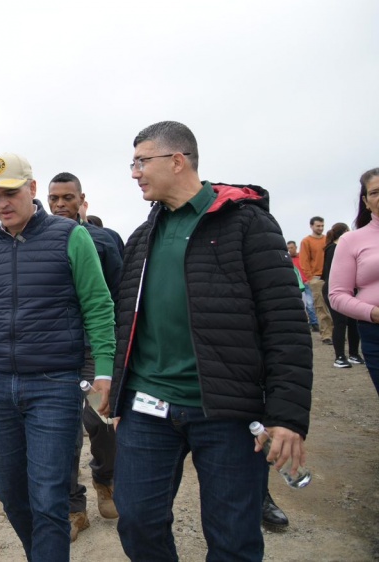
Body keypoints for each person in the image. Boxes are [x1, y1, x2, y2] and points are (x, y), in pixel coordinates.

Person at [109, 121, 312, 561]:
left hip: (227, 410)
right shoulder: (142, 239)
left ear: (177, 160)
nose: (134, 172)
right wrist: (122, 397)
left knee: (233, 536)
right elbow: (126, 322)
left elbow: (285, 324)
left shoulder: (247, 225)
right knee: (138, 521)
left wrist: (288, 416)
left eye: (142, 161)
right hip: (148, 408)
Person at [0, 153, 115, 562]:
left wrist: (106, 371)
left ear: (32, 189)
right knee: (12, 497)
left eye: (9, 193)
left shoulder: (69, 236)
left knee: (48, 498)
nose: (2, 203)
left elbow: (98, 305)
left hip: (54, 386)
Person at [46, 172, 122, 540]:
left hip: (94, 350)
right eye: (54, 198)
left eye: (67, 198)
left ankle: (104, 480)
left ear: (81, 200)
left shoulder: (105, 240)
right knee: (62, 434)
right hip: (56, 351)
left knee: (101, 422)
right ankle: (74, 508)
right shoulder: (38, 239)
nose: (60, 205)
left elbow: (118, 297)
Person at [330, 167, 379, 398]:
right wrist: (374, 313)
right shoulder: (351, 240)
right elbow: (337, 295)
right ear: (366, 202)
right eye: (375, 192)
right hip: (375, 330)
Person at [323, 223, 361, 368]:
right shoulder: (333, 249)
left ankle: (354, 354)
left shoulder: (346, 248)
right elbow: (333, 273)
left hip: (350, 289)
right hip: (334, 289)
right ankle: (339, 357)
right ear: (344, 233)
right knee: (340, 322)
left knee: (353, 322)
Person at [301, 216, 334, 343]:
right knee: (321, 307)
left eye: (322, 226)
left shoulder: (328, 240)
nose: (320, 228)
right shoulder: (306, 241)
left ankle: (335, 333)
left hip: (330, 276)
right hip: (316, 278)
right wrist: (311, 278)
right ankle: (326, 335)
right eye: (318, 226)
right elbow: (304, 261)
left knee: (334, 306)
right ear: (311, 226)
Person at [288, 240, 319, 331]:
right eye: (288, 248)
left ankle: (314, 323)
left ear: (296, 247)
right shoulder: (288, 260)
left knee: (310, 304)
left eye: (292, 248)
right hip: (296, 285)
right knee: (300, 305)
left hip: (306, 283)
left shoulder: (302, 257)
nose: (290, 250)